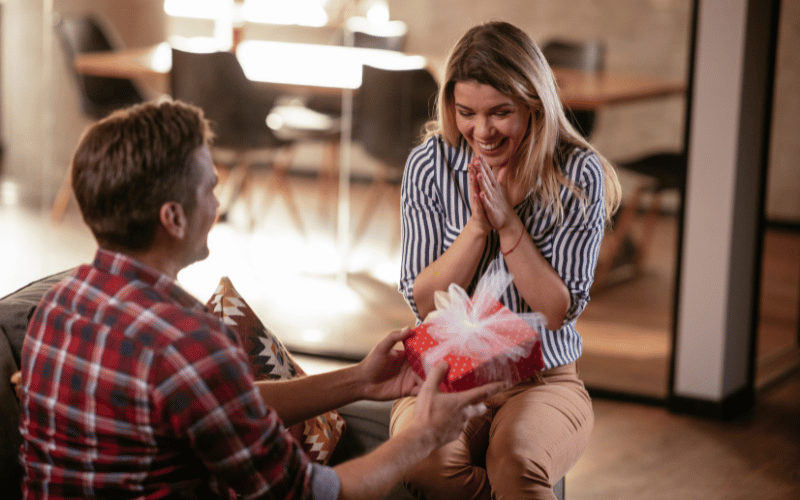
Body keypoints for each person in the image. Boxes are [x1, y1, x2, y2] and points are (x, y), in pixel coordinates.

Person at [16, 99, 509, 500]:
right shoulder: (187, 344)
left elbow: (221, 403)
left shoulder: (60, 307)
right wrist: (422, 436)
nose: (217, 199)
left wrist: (359, 379)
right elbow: (312, 493)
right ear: (173, 217)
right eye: (210, 187)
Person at [390, 21, 622, 500]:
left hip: (541, 380)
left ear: (533, 105)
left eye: (500, 113)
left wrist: (510, 224)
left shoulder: (578, 173)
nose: (482, 131)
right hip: (446, 370)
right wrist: (478, 227)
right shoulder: (431, 164)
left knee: (516, 467)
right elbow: (425, 301)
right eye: (466, 113)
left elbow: (555, 309)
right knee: (423, 465)